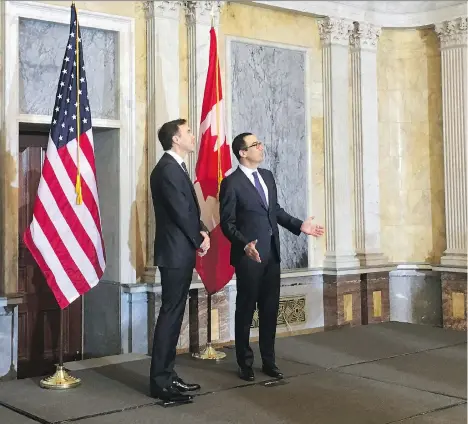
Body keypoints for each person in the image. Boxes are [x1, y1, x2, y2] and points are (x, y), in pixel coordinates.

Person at [219, 132, 325, 382]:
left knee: (269, 310)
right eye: (255, 145)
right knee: (245, 309)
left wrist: (300, 226)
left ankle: (269, 360)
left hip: (272, 254)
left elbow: (275, 211)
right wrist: (244, 245)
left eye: (259, 143)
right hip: (249, 256)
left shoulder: (267, 176)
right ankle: (245, 362)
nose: (261, 147)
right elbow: (227, 223)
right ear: (242, 152)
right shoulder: (231, 183)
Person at [149, 118, 210, 403]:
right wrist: (199, 238)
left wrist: (203, 231)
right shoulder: (167, 170)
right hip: (174, 252)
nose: (193, 136)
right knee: (170, 315)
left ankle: (169, 375)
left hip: (180, 250)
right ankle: (160, 382)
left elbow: (189, 209)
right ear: (175, 139)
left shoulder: (177, 168)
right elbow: (179, 211)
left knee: (174, 315)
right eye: (187, 132)